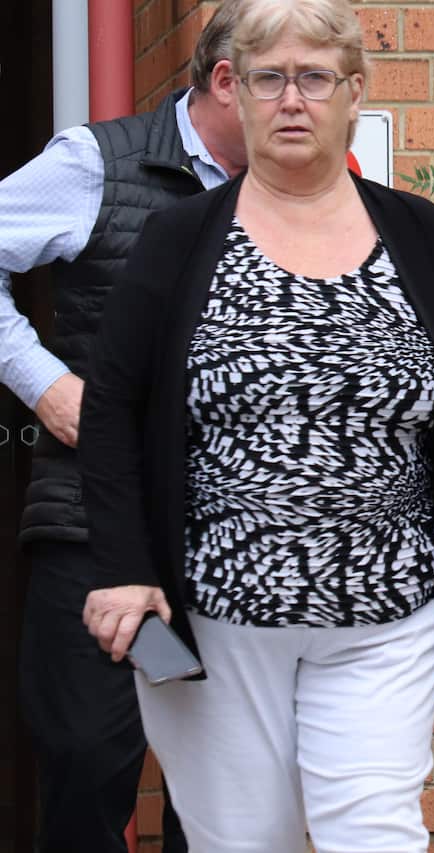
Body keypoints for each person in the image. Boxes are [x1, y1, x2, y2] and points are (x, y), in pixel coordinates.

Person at [77, 0, 434, 849]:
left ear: (354, 92)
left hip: (386, 610)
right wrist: (124, 568)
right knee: (244, 839)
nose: (293, 100)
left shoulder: (420, 236)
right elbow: (112, 409)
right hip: (216, 617)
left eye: (316, 77)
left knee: (375, 832)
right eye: (269, 78)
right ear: (236, 92)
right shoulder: (180, 240)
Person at [3, 3, 247, 848]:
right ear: (225, 79)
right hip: (95, 532)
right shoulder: (95, 164)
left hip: (237, 543)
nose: (308, 110)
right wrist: (44, 384)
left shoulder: (306, 195)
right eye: (286, 81)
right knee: (86, 767)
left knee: (224, 800)